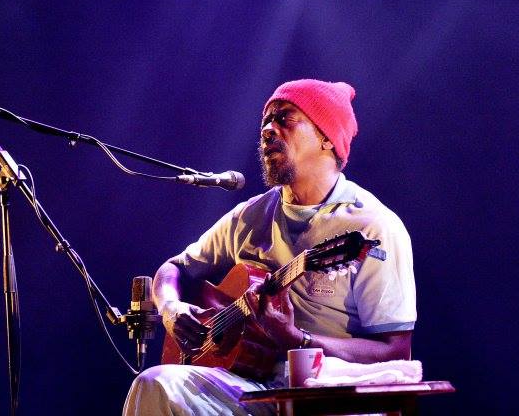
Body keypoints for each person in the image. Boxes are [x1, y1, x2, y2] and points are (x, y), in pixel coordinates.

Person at [123, 79, 417, 415]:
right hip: (250, 384)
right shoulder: (251, 216)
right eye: (266, 120)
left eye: (285, 119)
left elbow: (395, 351)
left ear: (326, 138)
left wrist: (296, 339)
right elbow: (174, 268)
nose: (268, 129)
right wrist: (171, 308)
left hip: (331, 395)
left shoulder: (372, 226)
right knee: (155, 383)